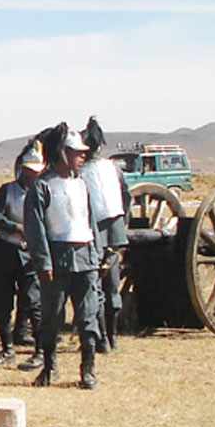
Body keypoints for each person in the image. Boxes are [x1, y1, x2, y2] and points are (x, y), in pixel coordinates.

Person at [24, 123, 102, 389]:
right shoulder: (42, 186)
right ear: (61, 151)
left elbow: (91, 221)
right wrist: (43, 262)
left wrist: (97, 254)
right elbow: (36, 229)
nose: (82, 156)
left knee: (88, 314)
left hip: (85, 257)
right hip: (57, 259)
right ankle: (50, 366)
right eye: (76, 152)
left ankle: (88, 370)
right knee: (51, 317)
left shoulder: (82, 185)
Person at [0, 140, 45, 368]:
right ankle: (7, 348)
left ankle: (40, 351)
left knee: (34, 302)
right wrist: (14, 227)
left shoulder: (44, 193)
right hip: (6, 251)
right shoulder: (7, 191)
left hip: (31, 255)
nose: (30, 175)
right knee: (1, 302)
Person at [79, 117, 131, 352]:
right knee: (111, 286)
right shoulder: (114, 170)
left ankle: (102, 338)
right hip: (115, 231)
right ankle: (111, 336)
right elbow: (126, 198)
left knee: (95, 286)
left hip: (94, 233)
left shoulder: (80, 173)